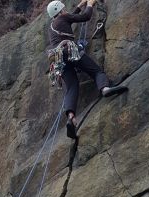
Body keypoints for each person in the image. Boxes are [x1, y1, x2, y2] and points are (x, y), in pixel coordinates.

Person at [47, 0, 128, 139]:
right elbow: (85, 17)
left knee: (72, 86)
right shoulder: (63, 18)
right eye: (64, 9)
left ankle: (71, 117)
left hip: (58, 58)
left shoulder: (53, 25)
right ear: (60, 11)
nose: (65, 10)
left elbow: (70, 17)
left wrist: (80, 5)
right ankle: (105, 88)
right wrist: (90, 4)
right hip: (69, 49)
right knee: (96, 71)